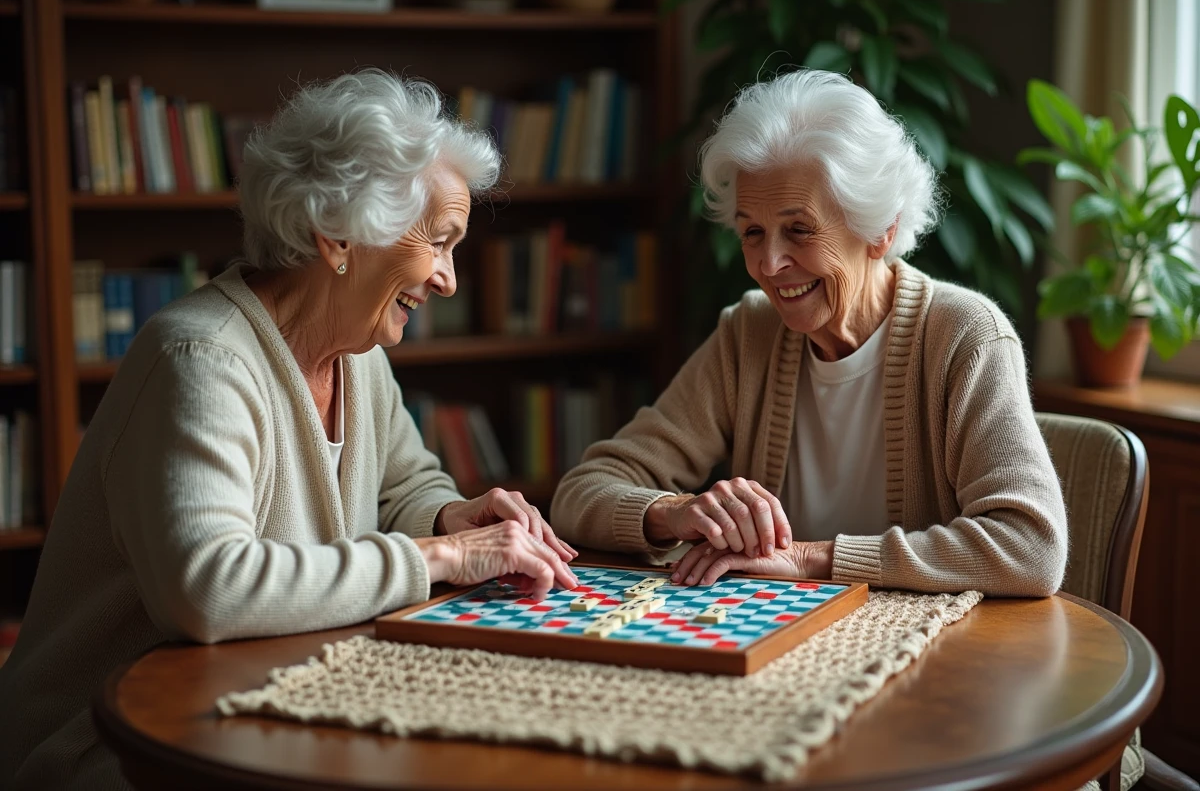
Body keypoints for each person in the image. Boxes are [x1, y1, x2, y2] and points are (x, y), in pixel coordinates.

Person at [0, 69, 577, 790]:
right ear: (338, 234)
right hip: (114, 748)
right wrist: (447, 555)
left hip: (262, 711)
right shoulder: (201, 360)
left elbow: (406, 484)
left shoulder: (356, 354)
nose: (448, 280)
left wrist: (450, 515)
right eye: (438, 241)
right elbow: (209, 590)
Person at [551, 69, 1067, 596]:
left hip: (931, 649)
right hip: (773, 638)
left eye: (799, 230)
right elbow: (580, 493)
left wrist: (810, 559)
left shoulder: (964, 337)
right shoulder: (748, 334)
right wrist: (675, 511)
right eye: (753, 231)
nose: (770, 264)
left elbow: (1030, 547)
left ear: (880, 229)